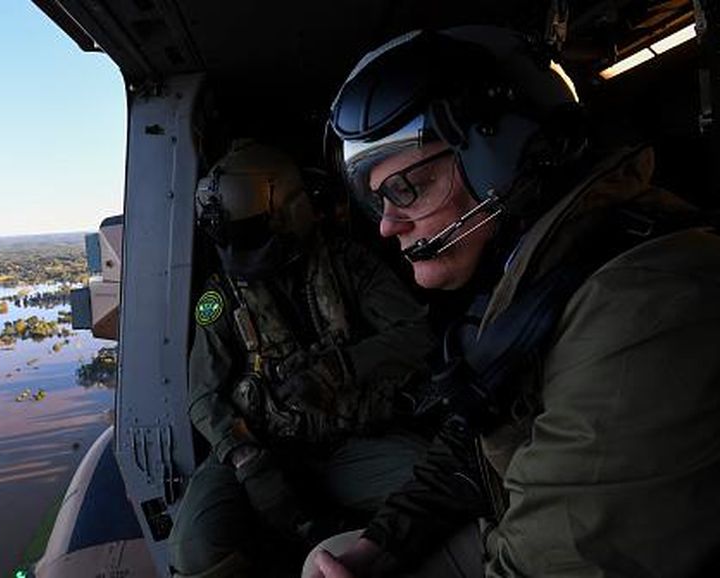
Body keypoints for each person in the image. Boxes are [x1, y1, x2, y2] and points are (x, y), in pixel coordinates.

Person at [307, 25, 720, 577]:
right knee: (331, 557)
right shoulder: (534, 276)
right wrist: (380, 545)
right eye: (379, 200)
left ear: (501, 159)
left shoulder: (642, 302)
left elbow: (563, 560)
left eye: (408, 188)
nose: (387, 224)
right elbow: (475, 435)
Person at [167, 140, 437, 577]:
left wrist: (340, 369)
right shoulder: (221, 298)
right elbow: (203, 396)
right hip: (263, 448)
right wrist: (246, 459)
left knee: (434, 488)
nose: (243, 252)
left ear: (290, 214)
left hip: (350, 440)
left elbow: (417, 336)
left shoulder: (349, 265)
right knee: (196, 548)